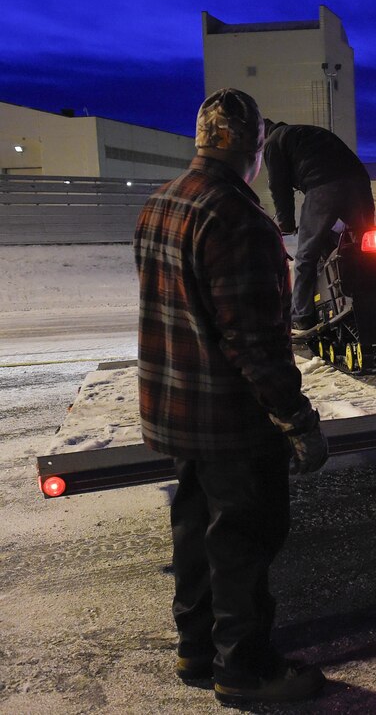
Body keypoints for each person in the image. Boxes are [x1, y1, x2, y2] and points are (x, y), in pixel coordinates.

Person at [133, 88, 328, 706]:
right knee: (243, 541)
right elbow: (254, 341)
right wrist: (296, 419)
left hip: (176, 414)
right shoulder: (238, 218)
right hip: (231, 420)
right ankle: (245, 671)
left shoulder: (161, 203)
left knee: (195, 531)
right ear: (253, 146)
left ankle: (197, 650)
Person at [262, 120, 375, 331]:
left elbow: (279, 187)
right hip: (359, 181)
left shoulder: (273, 141)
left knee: (305, 256)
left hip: (324, 184)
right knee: (367, 245)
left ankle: (302, 316)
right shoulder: (304, 133)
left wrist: (286, 224)